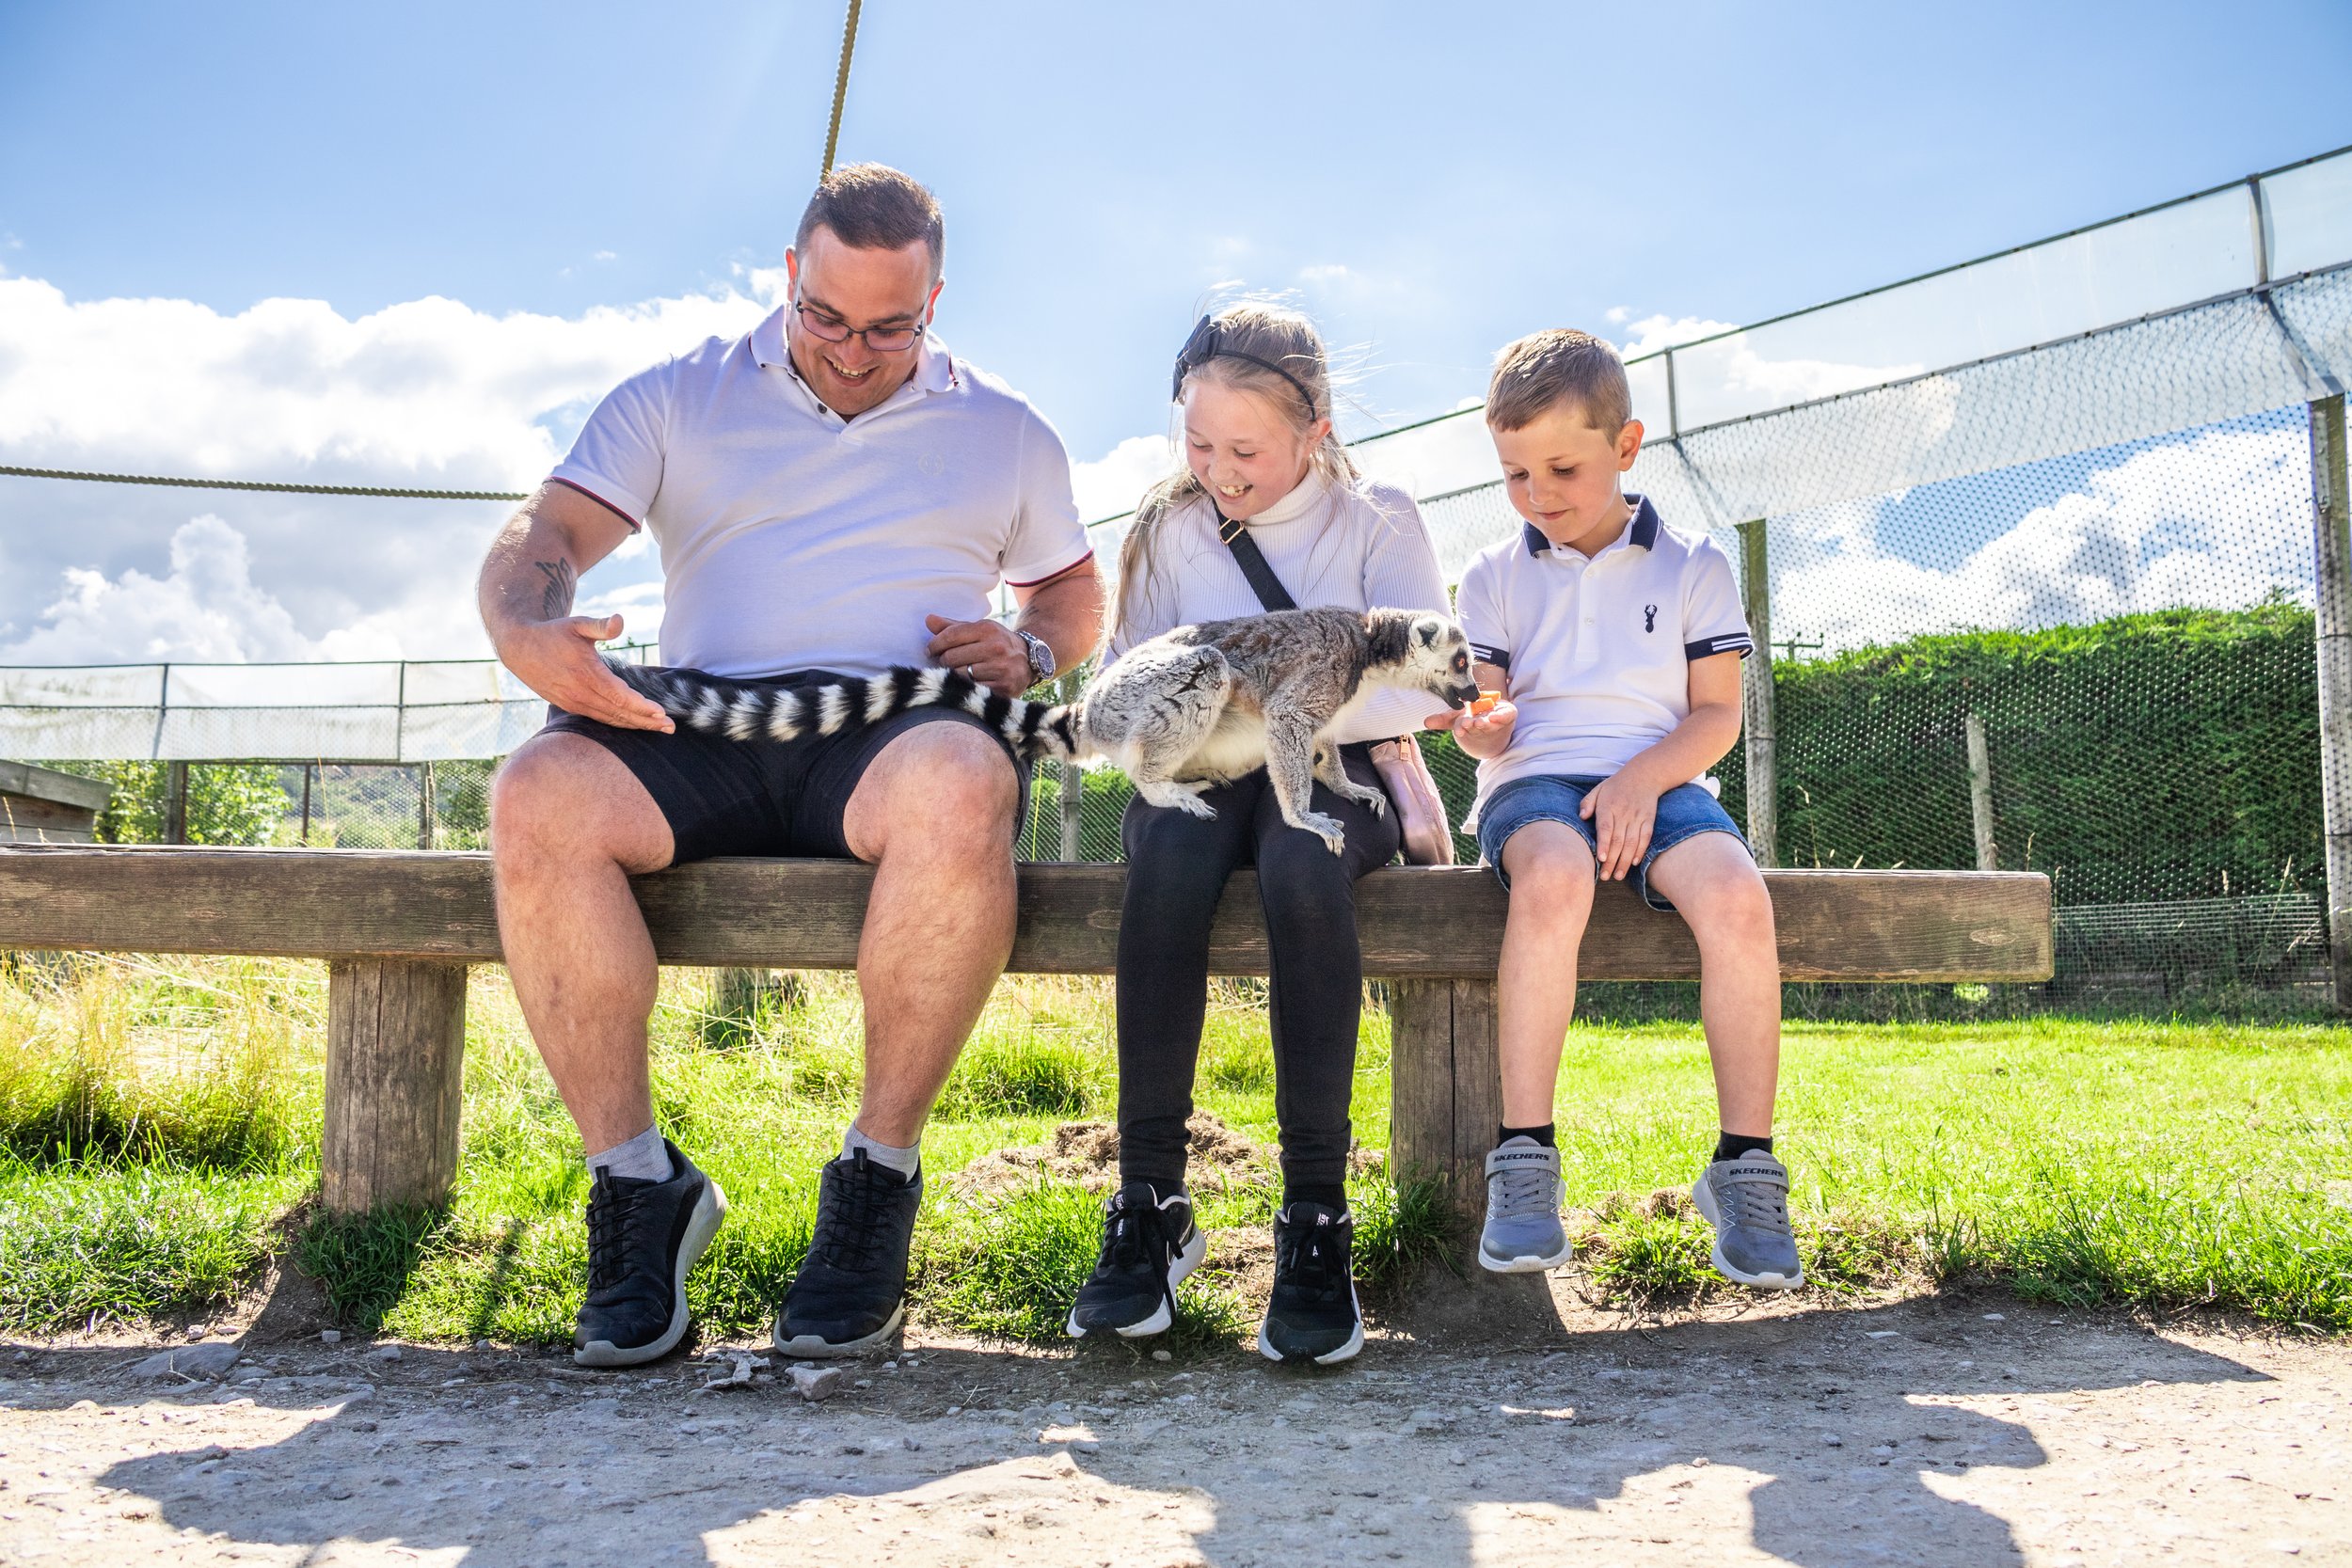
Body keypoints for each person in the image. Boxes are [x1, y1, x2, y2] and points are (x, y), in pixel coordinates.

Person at [476, 164, 1104, 1367]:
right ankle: (635, 1183)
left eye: (890, 325)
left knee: (966, 781)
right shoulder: (680, 393)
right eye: (826, 316)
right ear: (787, 276)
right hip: (706, 720)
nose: (855, 350)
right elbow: (549, 533)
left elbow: (1072, 589)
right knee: (536, 791)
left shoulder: (1007, 428)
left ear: (936, 301)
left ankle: (876, 1176)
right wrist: (524, 622)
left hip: (894, 726)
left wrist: (1029, 647)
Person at [1066, 302, 1453, 1364]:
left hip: (1342, 763)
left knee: (1301, 860)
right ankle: (1149, 1197)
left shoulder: (1379, 518)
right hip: (1204, 764)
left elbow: (1422, 687)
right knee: (1170, 855)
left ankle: (1315, 1216)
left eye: (1245, 449)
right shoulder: (1167, 526)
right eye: (1197, 443)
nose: (1218, 470)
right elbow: (1126, 678)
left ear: (1314, 427)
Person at [1434, 328, 1801, 1290]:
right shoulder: (1490, 574)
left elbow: (1716, 714)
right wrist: (1481, 727)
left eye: (1561, 466)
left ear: (1626, 445)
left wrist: (1640, 781)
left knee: (1736, 897)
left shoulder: (1693, 565)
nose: (1536, 492)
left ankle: (1744, 1167)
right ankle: (1524, 1162)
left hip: (1664, 779)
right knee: (1551, 876)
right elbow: (1487, 709)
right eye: (1514, 472)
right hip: (1538, 782)